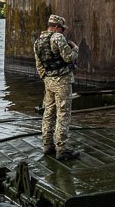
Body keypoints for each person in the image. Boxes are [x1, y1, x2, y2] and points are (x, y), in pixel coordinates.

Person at [34, 14, 80, 162]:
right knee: (63, 113)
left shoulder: (38, 41)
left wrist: (47, 79)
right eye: (62, 29)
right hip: (62, 81)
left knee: (48, 112)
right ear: (57, 27)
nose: (63, 32)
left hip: (48, 81)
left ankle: (47, 145)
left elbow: (39, 66)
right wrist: (75, 49)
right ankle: (62, 149)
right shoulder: (58, 38)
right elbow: (68, 58)